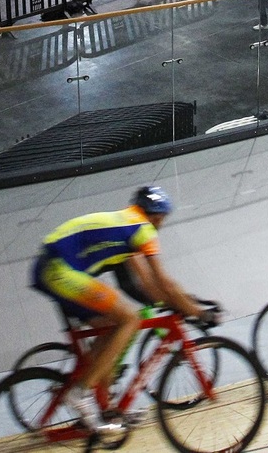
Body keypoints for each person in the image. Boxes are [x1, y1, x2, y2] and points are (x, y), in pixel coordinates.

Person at [31, 187, 215, 439]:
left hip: (52, 268)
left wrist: (182, 302)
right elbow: (162, 282)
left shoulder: (129, 223)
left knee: (112, 327)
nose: (162, 224)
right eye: (163, 219)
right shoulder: (144, 230)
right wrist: (199, 313)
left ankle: (106, 409)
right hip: (59, 271)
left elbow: (149, 285)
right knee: (130, 319)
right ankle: (80, 392)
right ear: (157, 217)